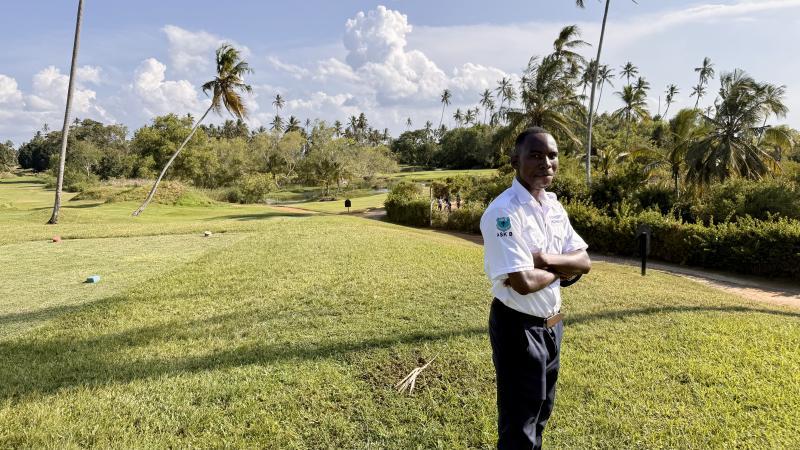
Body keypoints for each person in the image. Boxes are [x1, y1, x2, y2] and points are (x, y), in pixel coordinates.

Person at [480, 127, 591, 449]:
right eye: (536, 154)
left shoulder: (553, 206)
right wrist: (562, 268)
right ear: (515, 160)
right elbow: (524, 283)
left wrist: (543, 258)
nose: (546, 162)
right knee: (520, 423)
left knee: (542, 411)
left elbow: (584, 261)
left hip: (553, 326)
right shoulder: (504, 212)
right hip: (518, 328)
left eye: (552, 155)